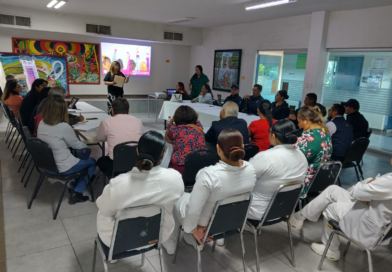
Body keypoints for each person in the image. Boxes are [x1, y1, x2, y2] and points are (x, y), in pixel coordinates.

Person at [163, 129, 256, 254]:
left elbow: (193, 210)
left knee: (176, 198)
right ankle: (220, 237)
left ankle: (171, 243)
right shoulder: (251, 169)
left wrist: (192, 229)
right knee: (223, 200)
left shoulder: (209, 174)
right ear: (242, 147)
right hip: (232, 219)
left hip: (205, 223)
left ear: (218, 149)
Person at [96, 131, 184, 248]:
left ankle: (112, 257)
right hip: (157, 236)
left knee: (103, 211)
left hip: (118, 240)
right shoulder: (175, 178)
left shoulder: (118, 184)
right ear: (163, 155)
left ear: (137, 151)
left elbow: (104, 209)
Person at [289, 169, 392, 262]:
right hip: (373, 216)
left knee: (331, 207)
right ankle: (299, 217)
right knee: (332, 190)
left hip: (366, 226)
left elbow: (356, 192)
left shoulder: (389, 181)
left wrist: (370, 184)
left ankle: (331, 249)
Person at [37, 95, 96, 204]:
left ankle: (73, 184)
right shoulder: (63, 126)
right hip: (62, 167)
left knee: (78, 157)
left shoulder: (42, 123)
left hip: (47, 166)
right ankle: (77, 192)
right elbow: (77, 146)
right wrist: (86, 145)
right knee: (92, 162)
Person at [248, 120, 308, 220]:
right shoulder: (302, 156)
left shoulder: (265, 157)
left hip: (258, 211)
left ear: (274, 136)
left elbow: (244, 176)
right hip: (285, 209)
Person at [97, 98, 144, 177]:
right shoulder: (138, 121)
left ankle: (115, 178)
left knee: (101, 161)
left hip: (115, 164)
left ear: (112, 111)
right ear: (129, 110)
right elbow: (142, 138)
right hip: (135, 163)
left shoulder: (106, 122)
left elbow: (100, 138)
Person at [294, 106, 332, 198]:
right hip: (320, 180)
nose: (298, 125)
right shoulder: (325, 133)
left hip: (305, 181)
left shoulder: (306, 137)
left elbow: (293, 159)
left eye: (299, 122)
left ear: (306, 120)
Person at [165, 105, 206, 175]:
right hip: (200, 167)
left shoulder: (174, 130)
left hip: (181, 167)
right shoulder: (199, 127)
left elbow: (167, 137)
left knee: (164, 167)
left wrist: (170, 122)